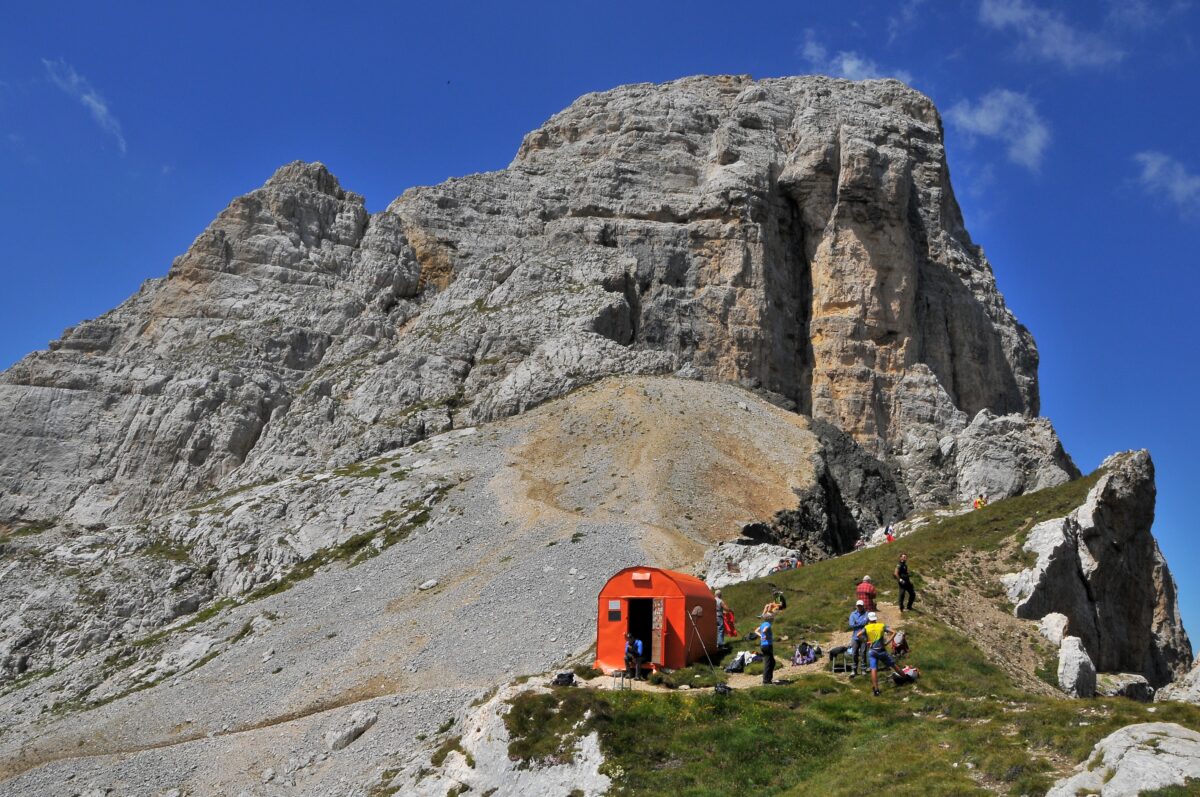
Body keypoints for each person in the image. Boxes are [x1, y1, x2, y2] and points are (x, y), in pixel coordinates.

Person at [863, 611, 906, 696]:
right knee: (893, 665)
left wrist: (866, 641)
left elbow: (858, 635)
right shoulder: (881, 625)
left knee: (873, 669)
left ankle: (876, 690)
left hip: (872, 651)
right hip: (881, 650)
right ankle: (905, 678)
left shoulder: (866, 627)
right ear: (875, 618)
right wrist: (887, 642)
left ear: (868, 619)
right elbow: (894, 632)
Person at [848, 599, 870, 677]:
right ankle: (854, 670)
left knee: (863, 653)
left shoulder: (867, 613)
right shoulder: (852, 614)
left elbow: (866, 622)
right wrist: (861, 623)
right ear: (856, 606)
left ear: (863, 606)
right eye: (858, 606)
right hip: (855, 637)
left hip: (864, 637)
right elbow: (851, 624)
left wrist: (857, 623)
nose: (859, 607)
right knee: (854, 653)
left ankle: (863, 669)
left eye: (860, 606)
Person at [757, 612, 776, 684]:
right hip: (768, 645)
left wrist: (761, 635)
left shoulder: (762, 624)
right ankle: (766, 681)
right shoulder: (768, 624)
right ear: (769, 618)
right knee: (768, 663)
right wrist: (764, 635)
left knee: (772, 662)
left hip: (763, 645)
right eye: (772, 617)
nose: (773, 618)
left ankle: (768, 679)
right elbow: (764, 630)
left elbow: (756, 630)